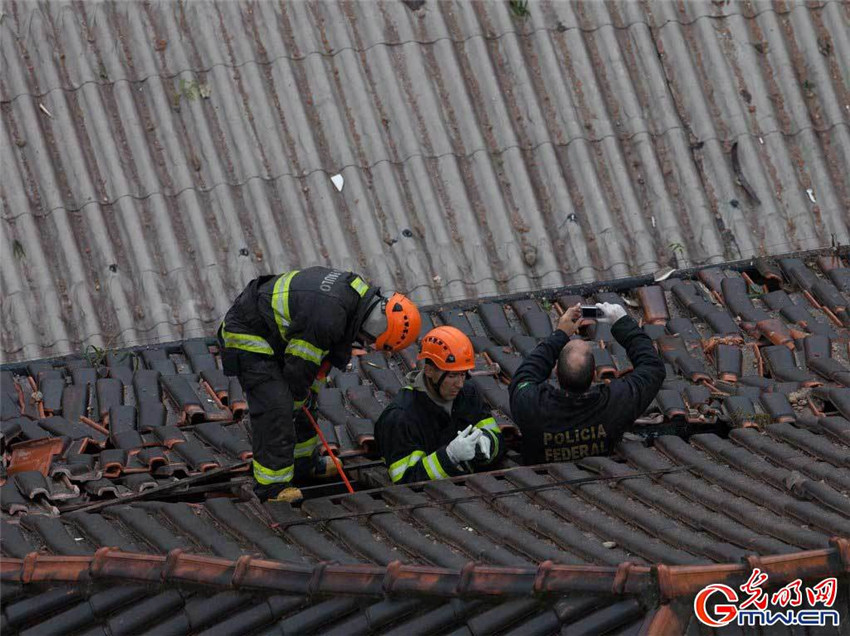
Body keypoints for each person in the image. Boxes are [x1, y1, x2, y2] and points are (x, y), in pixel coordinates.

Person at [219, 267, 421, 502]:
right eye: (374, 340)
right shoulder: (327, 317)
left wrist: (308, 391)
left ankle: (303, 464)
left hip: (278, 334)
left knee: (308, 394)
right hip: (247, 333)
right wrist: (297, 399)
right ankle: (271, 487)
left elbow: (324, 354)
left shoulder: (356, 297)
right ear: (378, 328)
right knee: (277, 405)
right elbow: (298, 370)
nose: (368, 343)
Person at [509, 302, 665, 464]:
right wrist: (622, 323)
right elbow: (652, 368)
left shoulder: (530, 404)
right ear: (594, 375)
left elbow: (524, 376)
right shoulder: (616, 403)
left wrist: (560, 334)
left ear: (556, 372)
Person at [375, 326, 504, 484]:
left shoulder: (469, 394)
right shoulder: (401, 417)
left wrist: (488, 442)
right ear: (429, 371)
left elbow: (498, 438)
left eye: (463, 374)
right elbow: (405, 480)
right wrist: (449, 457)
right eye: (452, 376)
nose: (460, 384)